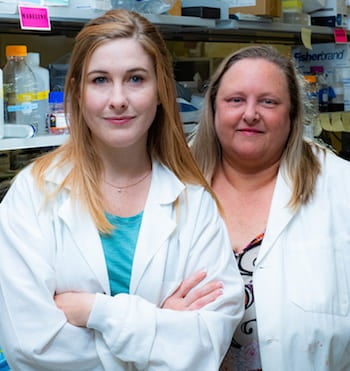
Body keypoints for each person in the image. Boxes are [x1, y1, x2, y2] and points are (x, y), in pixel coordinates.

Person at [0, 9, 244, 371]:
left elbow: (206, 344)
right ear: (78, 93)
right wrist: (157, 328)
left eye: (135, 79)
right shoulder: (33, 194)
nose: (118, 99)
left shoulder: (194, 203)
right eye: (100, 80)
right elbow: (30, 347)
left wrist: (96, 311)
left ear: (161, 90)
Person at [190, 44, 350, 370]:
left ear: (292, 115)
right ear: (213, 108)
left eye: (268, 101)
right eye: (235, 100)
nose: (250, 113)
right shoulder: (172, 182)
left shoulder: (340, 186)